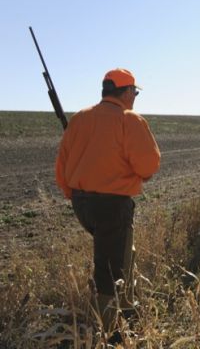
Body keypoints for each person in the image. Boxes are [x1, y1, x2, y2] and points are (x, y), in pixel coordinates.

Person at [55, 68, 160, 339]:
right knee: (110, 270)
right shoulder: (129, 120)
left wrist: (75, 195)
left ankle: (127, 312)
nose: (135, 97)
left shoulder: (79, 119)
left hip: (82, 205)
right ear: (125, 92)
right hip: (112, 206)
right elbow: (148, 166)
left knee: (123, 255)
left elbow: (62, 167)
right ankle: (108, 333)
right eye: (134, 92)